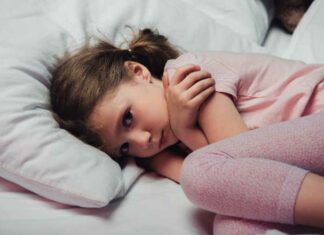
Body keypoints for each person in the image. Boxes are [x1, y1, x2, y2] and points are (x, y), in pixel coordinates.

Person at [50, 28, 324, 233]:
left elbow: (242, 167)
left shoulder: (189, 75)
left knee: (198, 173)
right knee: (231, 225)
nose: (142, 141)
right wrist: (161, 156)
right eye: (124, 147)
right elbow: (236, 188)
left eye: (128, 119)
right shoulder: (156, 149)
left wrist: (184, 128)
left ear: (138, 72)